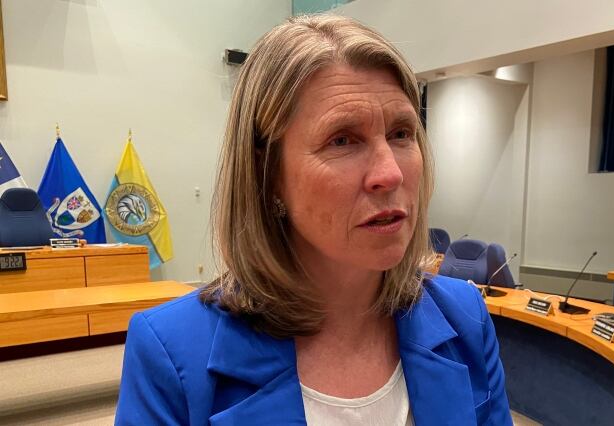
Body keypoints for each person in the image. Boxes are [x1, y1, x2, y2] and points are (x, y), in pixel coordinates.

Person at [115, 14, 511, 425]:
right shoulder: (172, 351)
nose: (390, 173)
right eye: (342, 140)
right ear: (267, 174)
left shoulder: (464, 316)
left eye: (401, 133)